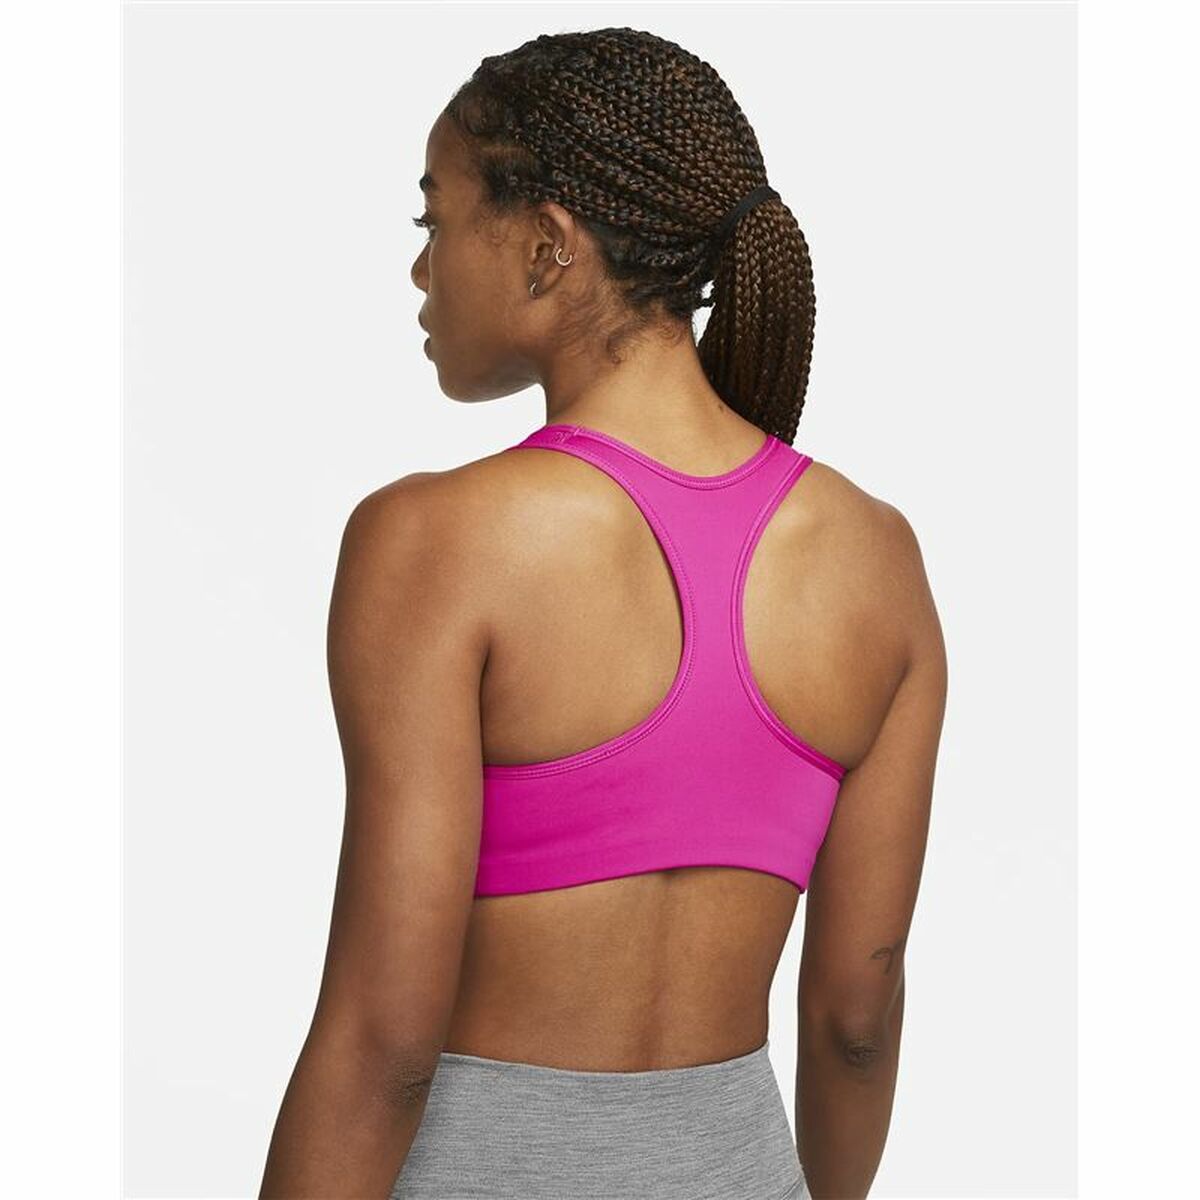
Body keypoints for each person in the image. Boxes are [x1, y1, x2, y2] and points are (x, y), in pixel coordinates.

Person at [259, 26, 947, 1200]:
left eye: (434, 220)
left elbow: (384, 1043)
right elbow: (855, 1017)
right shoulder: (876, 559)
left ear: (546, 243)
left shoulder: (434, 541)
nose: (422, 270)